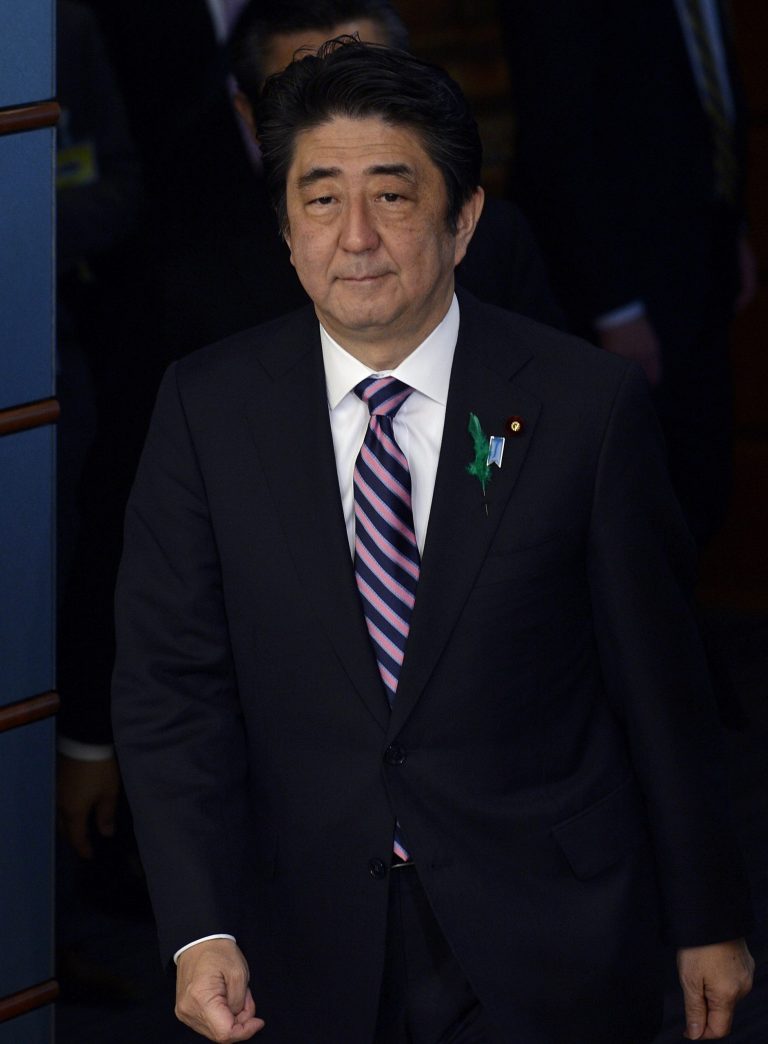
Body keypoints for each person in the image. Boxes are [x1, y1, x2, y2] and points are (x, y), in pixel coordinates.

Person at [112, 40, 753, 1044]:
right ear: (284, 228)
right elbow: (170, 689)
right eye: (321, 199)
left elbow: (660, 685)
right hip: (301, 943)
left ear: (463, 222)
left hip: (552, 933)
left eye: (394, 197)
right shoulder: (207, 408)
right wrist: (198, 926)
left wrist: (709, 916)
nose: (355, 236)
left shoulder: (584, 407)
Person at [498, 0, 758, 547]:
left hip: (701, 260)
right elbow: (561, 140)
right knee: (638, 509)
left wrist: (731, 226)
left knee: (702, 482)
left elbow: (708, 91)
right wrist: (614, 305)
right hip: (621, 289)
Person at [227, 0, 564, 329]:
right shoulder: (202, 279)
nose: (358, 239)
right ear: (248, 114)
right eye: (298, 92)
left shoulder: (494, 240)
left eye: (369, 84)